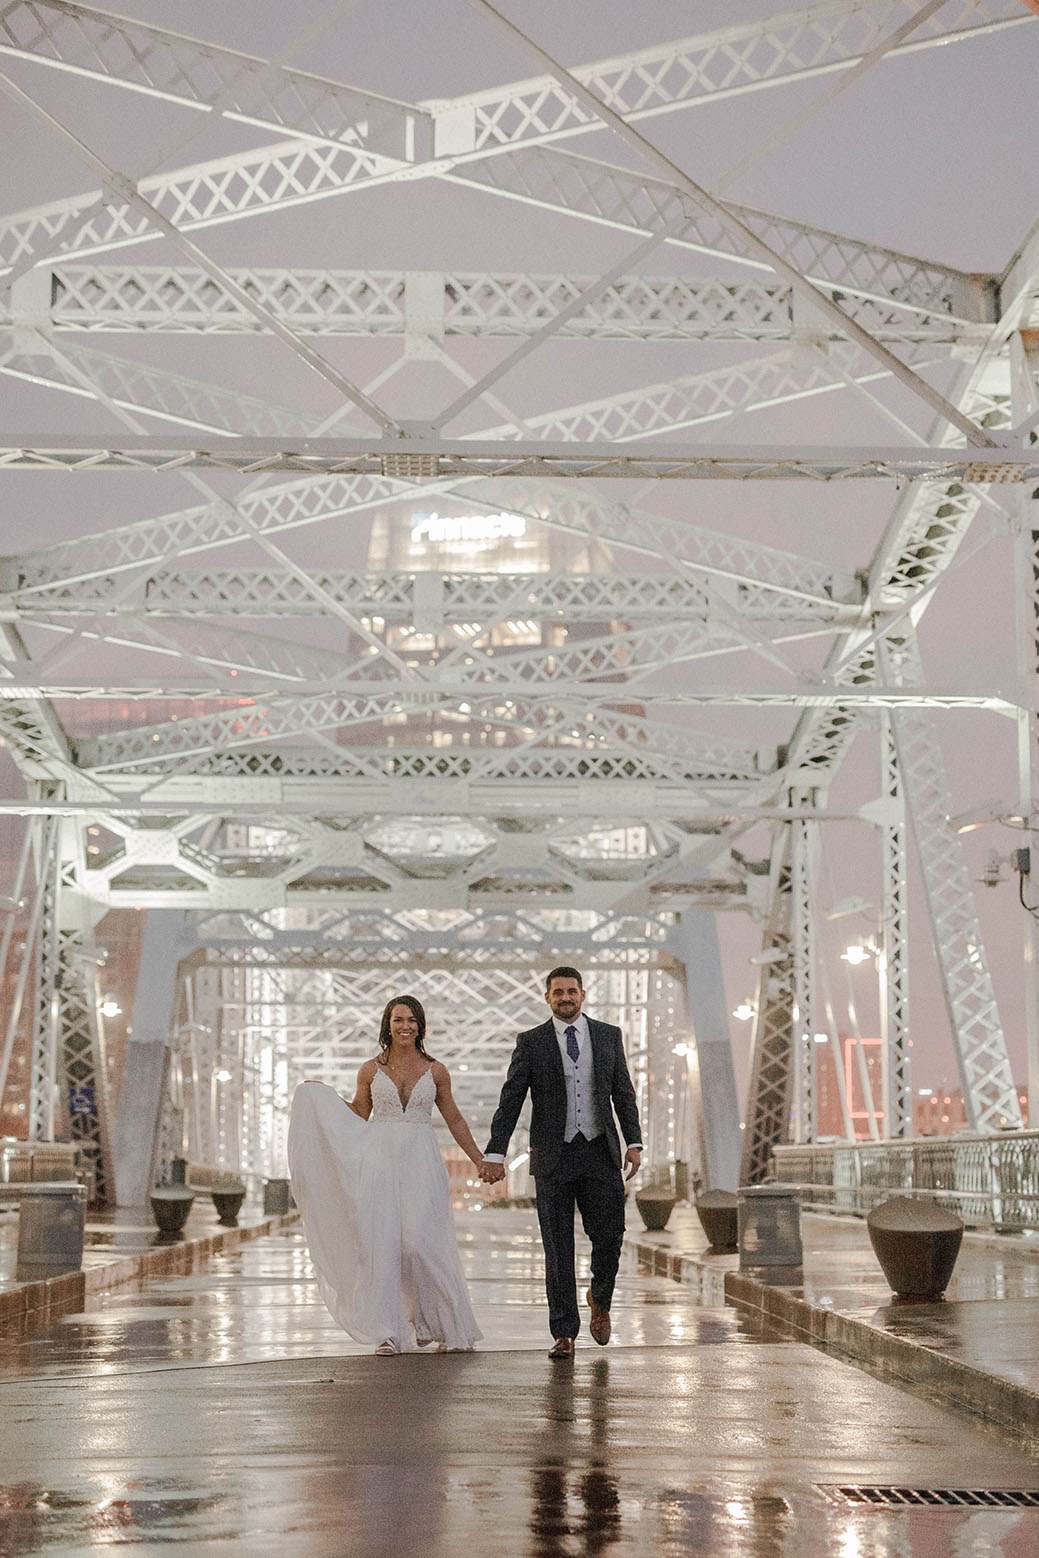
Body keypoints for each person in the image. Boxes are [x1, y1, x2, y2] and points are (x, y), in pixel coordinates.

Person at [287, 994, 483, 1356]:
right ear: (387, 1025)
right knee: (384, 1245)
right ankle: (388, 1332)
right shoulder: (370, 1069)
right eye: (398, 1020)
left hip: (422, 1160)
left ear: (421, 1026)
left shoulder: (436, 1070)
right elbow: (360, 1112)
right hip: (380, 1161)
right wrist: (322, 1097)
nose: (405, 1026)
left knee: (421, 1243)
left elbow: (453, 1117)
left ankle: (431, 1321)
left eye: (412, 1020)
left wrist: (479, 1159)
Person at [480, 967, 642, 1358]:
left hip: (599, 1151)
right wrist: (495, 1151)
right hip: (553, 1156)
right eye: (558, 992)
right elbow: (512, 1098)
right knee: (557, 1248)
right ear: (548, 997)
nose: (565, 997)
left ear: (583, 995)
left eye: (572, 991)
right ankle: (564, 1333)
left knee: (610, 1233)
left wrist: (633, 1141)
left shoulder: (607, 1036)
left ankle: (599, 1298)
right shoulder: (531, 1042)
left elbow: (623, 1090)